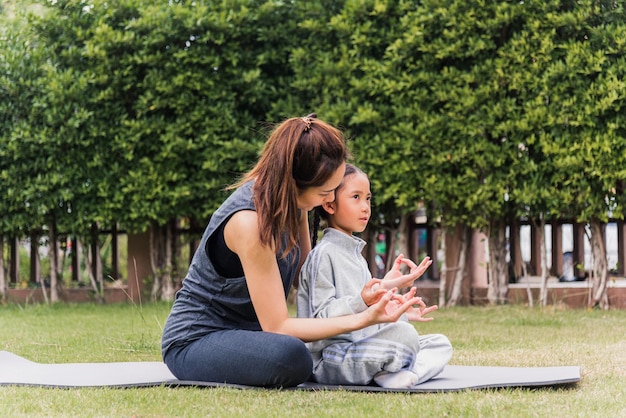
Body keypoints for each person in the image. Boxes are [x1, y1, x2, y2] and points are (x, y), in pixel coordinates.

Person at [161, 115, 425, 388]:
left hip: (251, 335)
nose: (332, 199)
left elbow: (305, 275)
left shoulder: (295, 203)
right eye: (327, 191)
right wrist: (362, 319)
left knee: (406, 338)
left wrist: (376, 292)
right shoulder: (249, 223)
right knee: (293, 356)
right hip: (197, 340)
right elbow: (279, 327)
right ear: (295, 182)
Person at [297, 164, 453, 388]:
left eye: (368, 199)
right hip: (331, 359)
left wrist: (395, 308)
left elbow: (369, 319)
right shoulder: (323, 255)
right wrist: (361, 302)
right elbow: (319, 321)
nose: (365, 208)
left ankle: (399, 373)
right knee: (405, 336)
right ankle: (398, 371)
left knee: (440, 344)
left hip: (362, 347)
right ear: (330, 204)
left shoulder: (357, 258)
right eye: (356, 197)